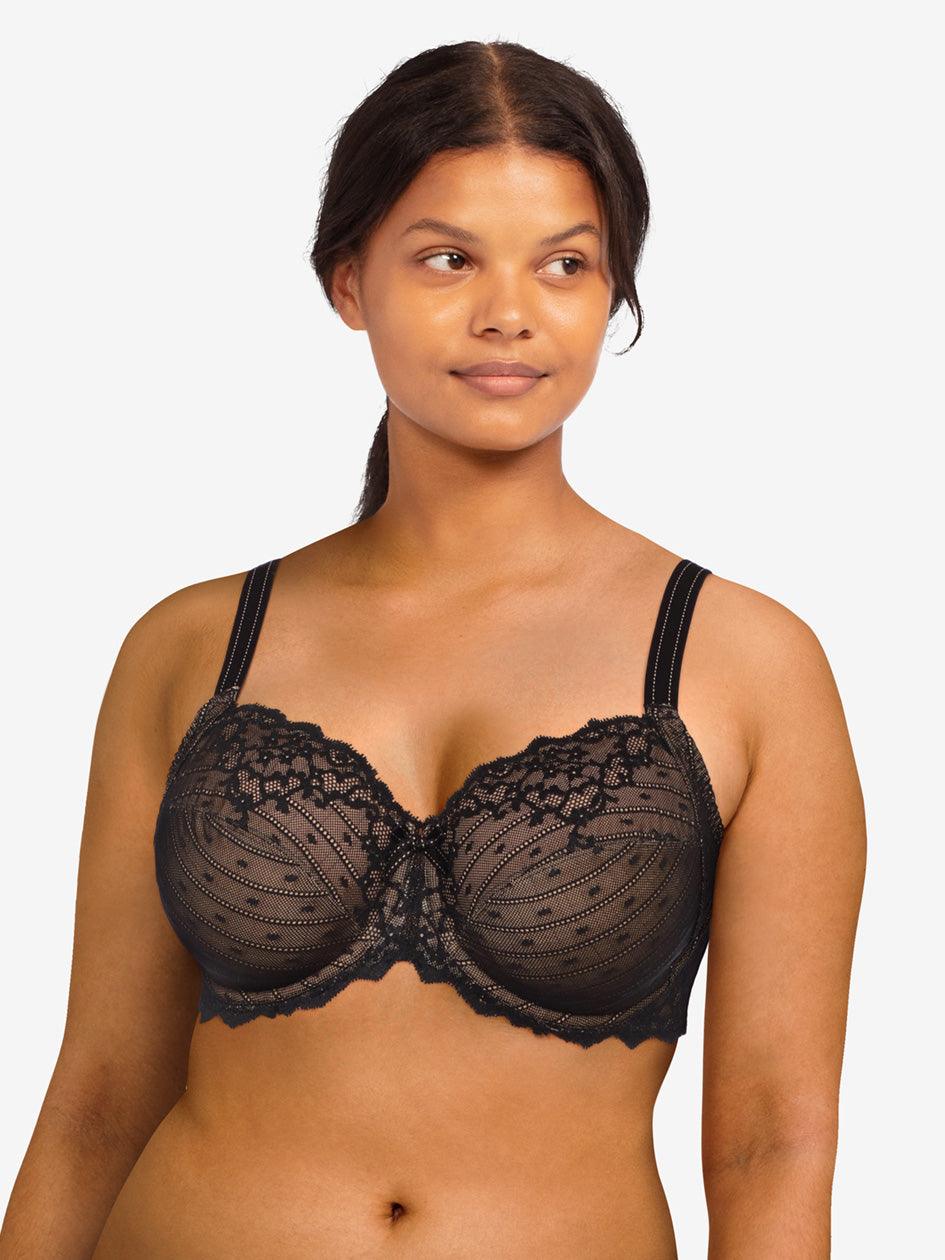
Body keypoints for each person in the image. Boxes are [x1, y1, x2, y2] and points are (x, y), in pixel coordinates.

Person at [0, 39, 866, 1260]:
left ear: (612, 292)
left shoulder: (745, 665)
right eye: (449, 259)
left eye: (564, 264)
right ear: (349, 281)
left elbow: (774, 1141)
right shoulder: (191, 649)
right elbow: (96, 1104)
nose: (509, 312)